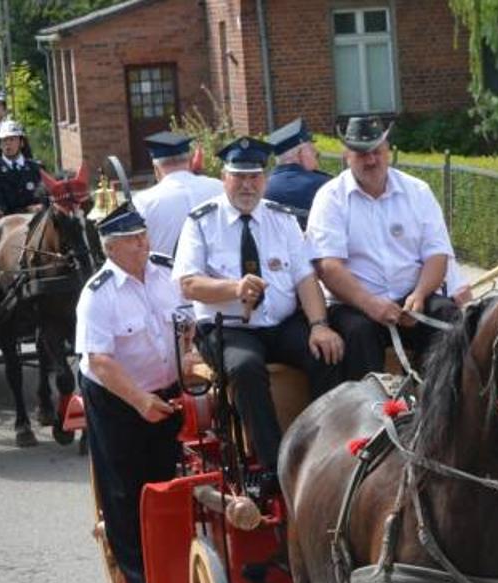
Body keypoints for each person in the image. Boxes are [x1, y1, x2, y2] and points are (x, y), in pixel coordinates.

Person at [174, 137, 344, 495]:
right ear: (224, 179)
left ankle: (325, 450)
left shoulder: (281, 219)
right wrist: (233, 289)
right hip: (228, 328)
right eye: (239, 177)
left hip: (280, 324)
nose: (248, 185)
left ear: (265, 180)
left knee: (328, 351)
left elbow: (305, 278)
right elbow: (188, 284)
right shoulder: (202, 222)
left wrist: (319, 325)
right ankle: (273, 467)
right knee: (246, 367)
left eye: (254, 177)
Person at [76, 202, 187, 583]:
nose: (143, 243)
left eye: (143, 235)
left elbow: (191, 321)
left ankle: (184, 547)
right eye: (132, 239)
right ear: (111, 248)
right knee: (126, 482)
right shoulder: (98, 295)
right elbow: (101, 362)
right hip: (119, 397)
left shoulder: (167, 270)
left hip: (172, 387)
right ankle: (139, 573)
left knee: (180, 469)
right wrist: (140, 401)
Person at [307, 115, 469, 380]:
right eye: (361, 155)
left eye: (377, 152)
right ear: (346, 155)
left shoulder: (418, 191)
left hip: (411, 300)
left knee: (450, 319)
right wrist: (370, 304)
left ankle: (446, 404)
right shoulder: (330, 198)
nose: (371, 160)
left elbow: (437, 254)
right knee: (359, 333)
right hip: (354, 304)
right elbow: (328, 267)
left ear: (388, 150)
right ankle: (373, 415)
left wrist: (419, 295)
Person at [129, 131, 223, 257]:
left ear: (156, 168)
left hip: (168, 274)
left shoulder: (143, 202)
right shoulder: (220, 187)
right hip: (221, 274)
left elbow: (137, 249)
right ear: (190, 161)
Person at [263, 118, 332, 228]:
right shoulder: (325, 186)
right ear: (300, 154)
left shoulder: (262, 188)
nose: (316, 153)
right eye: (311, 149)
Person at [0, 120, 43, 217]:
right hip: (8, 223)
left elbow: (45, 198)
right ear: (0, 144)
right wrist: (25, 209)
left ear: (21, 143)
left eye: (12, 139)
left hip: (37, 219)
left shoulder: (36, 168)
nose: (8, 144)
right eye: (4, 140)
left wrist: (40, 206)